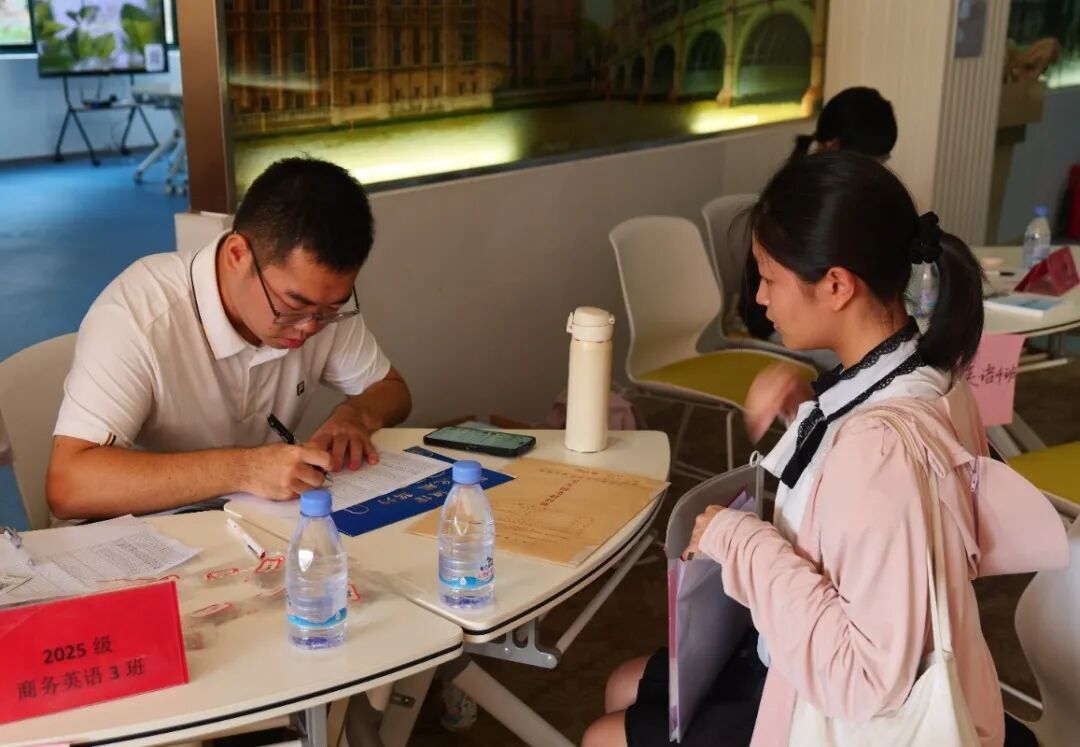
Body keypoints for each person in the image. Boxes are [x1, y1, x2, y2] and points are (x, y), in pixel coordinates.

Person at [583, 151, 1063, 747]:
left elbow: (863, 679)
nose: (761, 298)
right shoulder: (932, 375)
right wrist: (809, 408)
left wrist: (738, 540)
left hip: (842, 707)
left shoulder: (877, 449)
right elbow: (882, 514)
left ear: (836, 285)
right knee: (625, 686)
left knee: (606, 732)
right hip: (822, 649)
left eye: (769, 278)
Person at [47, 158, 411, 520]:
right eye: (293, 305)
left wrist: (355, 415)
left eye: (332, 308)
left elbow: (391, 389)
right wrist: (244, 469)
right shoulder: (138, 313)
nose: (310, 328)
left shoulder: (318, 306)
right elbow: (69, 486)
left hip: (251, 523)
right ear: (238, 255)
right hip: (143, 529)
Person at [738, 87, 897, 342]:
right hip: (780, 321)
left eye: (881, 160)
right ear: (833, 145)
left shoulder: (840, 192)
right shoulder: (807, 198)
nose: (874, 171)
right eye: (868, 160)